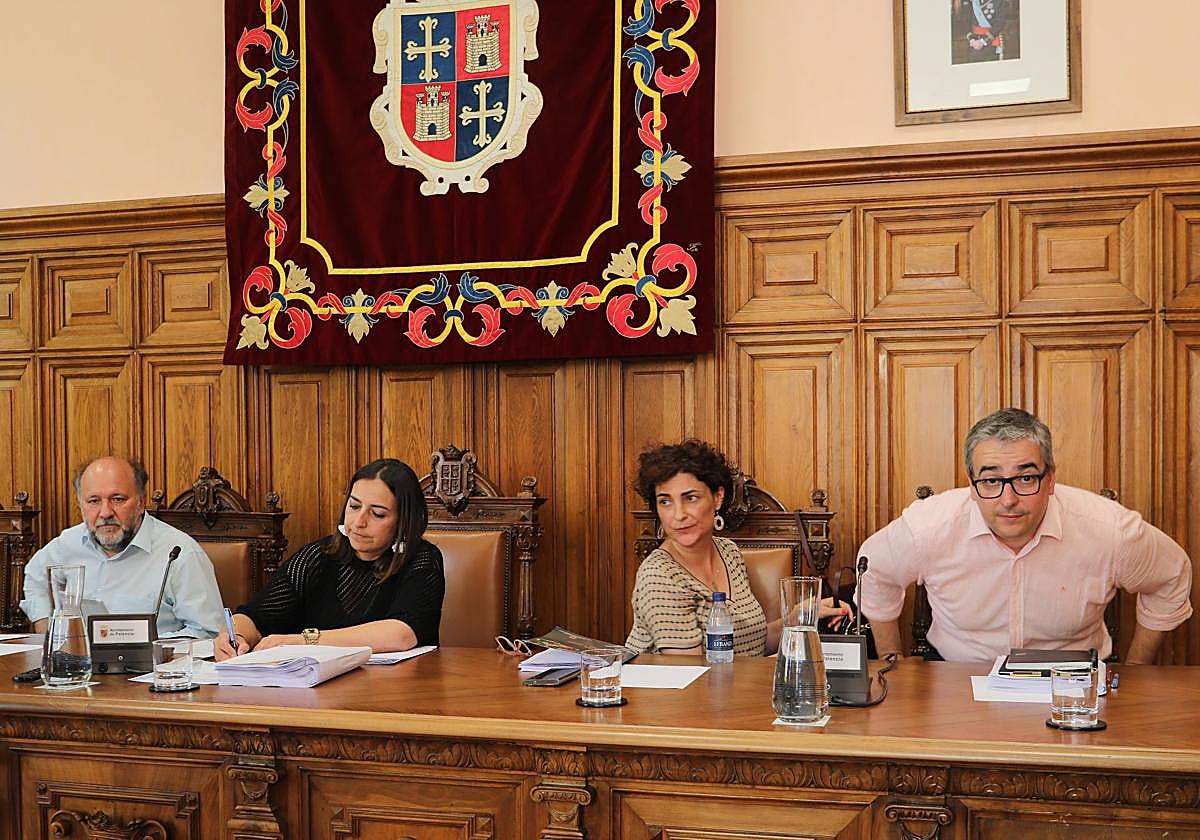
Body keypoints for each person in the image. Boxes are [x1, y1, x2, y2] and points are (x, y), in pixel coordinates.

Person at [859, 408, 1192, 663]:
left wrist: (1136, 669)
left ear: (1050, 481)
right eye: (990, 480)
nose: (1008, 500)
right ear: (971, 485)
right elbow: (872, 570)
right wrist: (893, 663)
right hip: (954, 676)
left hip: (1072, 682)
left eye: (1026, 478)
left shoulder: (1109, 531)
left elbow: (1172, 576)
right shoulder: (928, 527)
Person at [625, 439, 848, 656]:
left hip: (727, 689)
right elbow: (692, 677)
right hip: (675, 693)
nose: (679, 514)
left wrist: (799, 617)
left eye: (691, 498)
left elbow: (751, 645)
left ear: (717, 497)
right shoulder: (659, 575)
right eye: (665, 501)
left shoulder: (728, 552)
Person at [214, 458, 444, 660]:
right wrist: (234, 636)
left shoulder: (422, 560)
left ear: (403, 520)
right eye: (354, 506)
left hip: (400, 690)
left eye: (377, 513)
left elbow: (402, 634)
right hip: (316, 690)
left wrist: (304, 641)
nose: (358, 521)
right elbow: (255, 614)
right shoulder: (318, 556)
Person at [20, 456, 223, 638]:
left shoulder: (181, 553)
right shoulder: (68, 543)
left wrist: (147, 648)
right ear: (81, 505)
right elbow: (35, 576)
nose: (105, 512)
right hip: (79, 668)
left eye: (118, 499)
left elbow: (206, 633)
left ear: (141, 503)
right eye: (94, 501)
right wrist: (46, 625)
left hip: (149, 673)